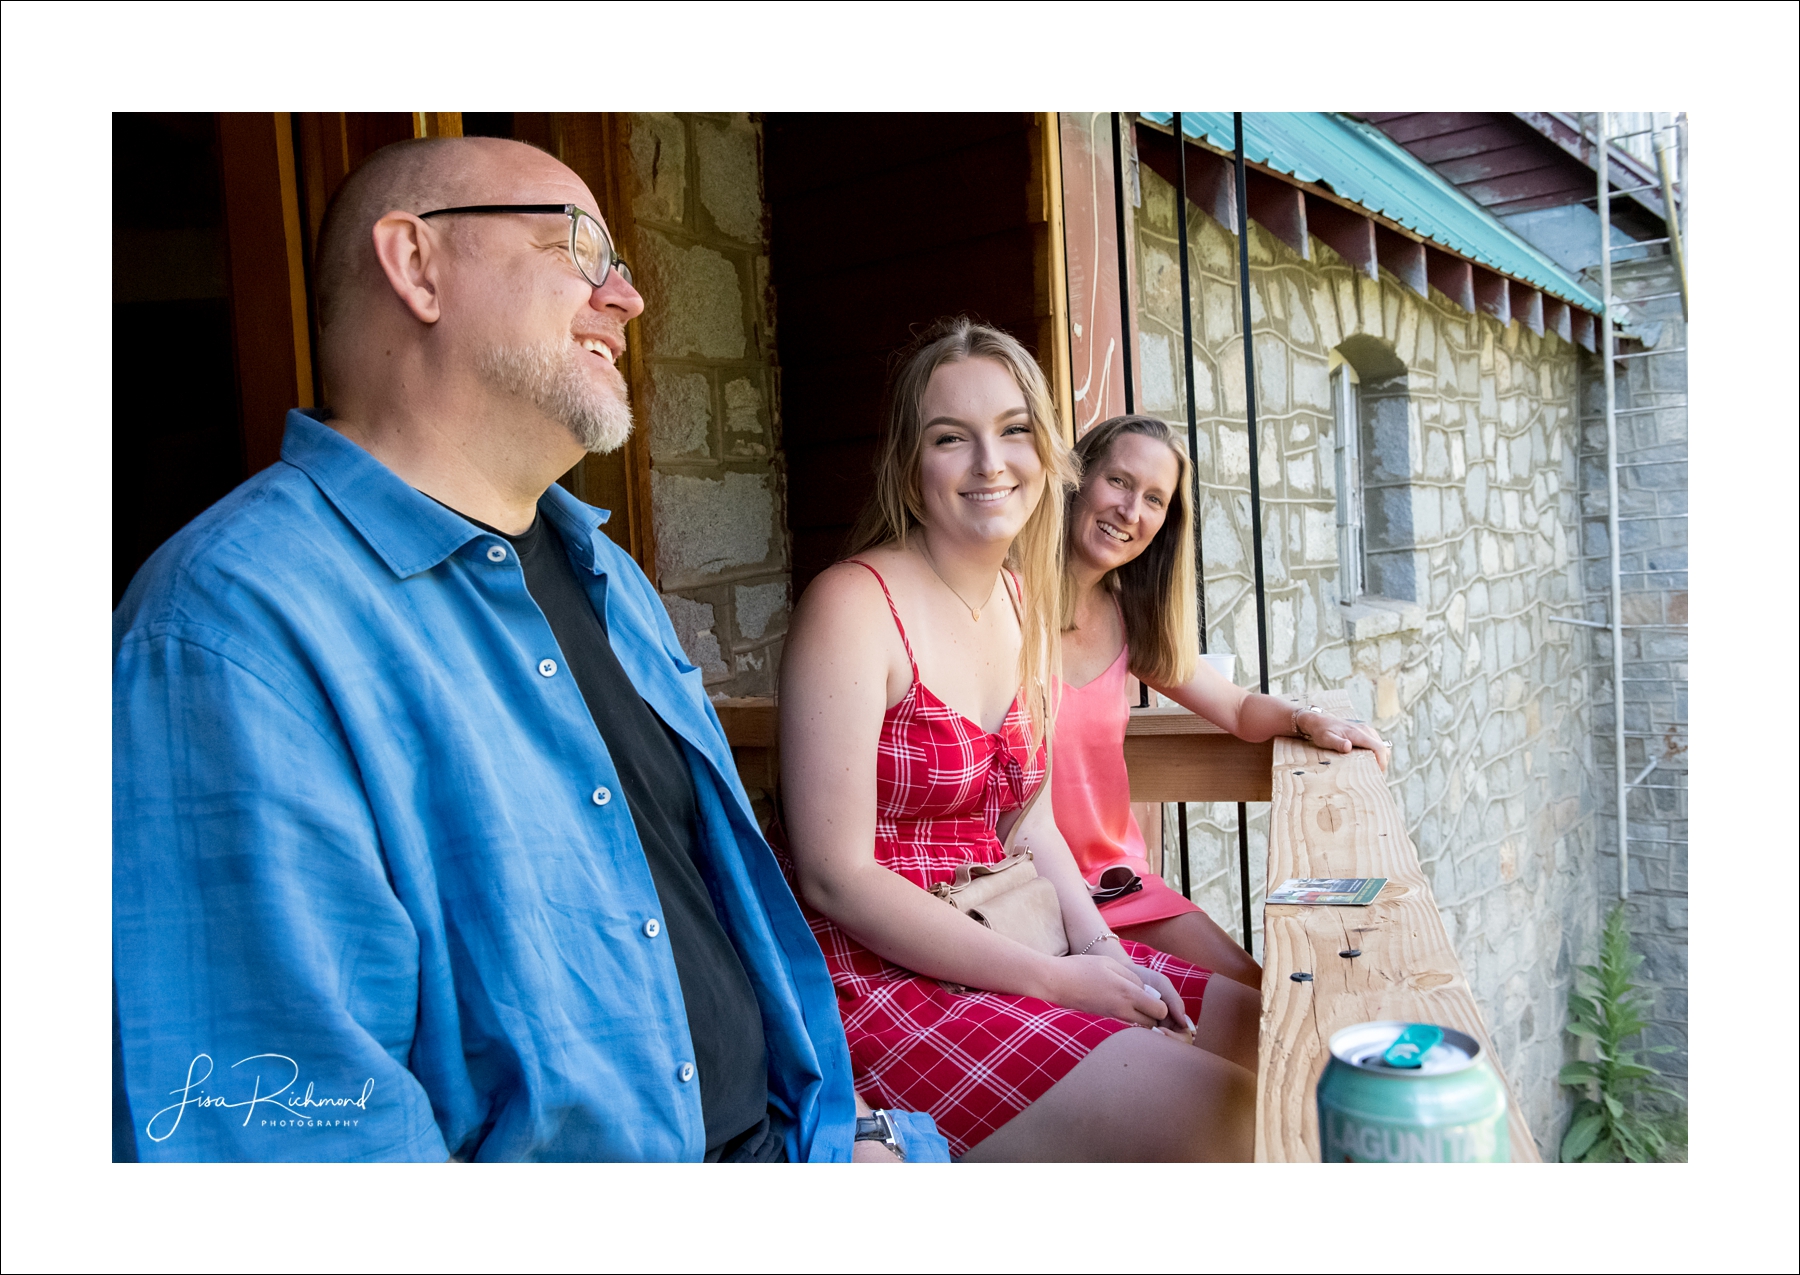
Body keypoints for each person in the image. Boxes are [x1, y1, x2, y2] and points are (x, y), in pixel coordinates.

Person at [111, 135, 945, 1163]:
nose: (627, 300)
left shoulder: (605, 570)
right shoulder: (232, 628)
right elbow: (287, 1149)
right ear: (417, 265)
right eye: (579, 246)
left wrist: (844, 1142)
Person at [778, 318, 1258, 1161]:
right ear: (908, 463)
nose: (989, 463)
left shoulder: (1019, 600)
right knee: (1227, 1113)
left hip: (1015, 923)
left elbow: (1029, 820)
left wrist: (1104, 950)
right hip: (887, 976)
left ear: (1048, 454)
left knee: (1271, 1031)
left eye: (1013, 432)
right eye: (950, 438)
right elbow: (835, 875)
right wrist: (1060, 982)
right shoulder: (852, 606)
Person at [1056, 414, 1389, 981]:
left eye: (1155, 500)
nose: (1131, 512)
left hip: (1115, 884)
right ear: (1076, 478)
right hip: (1031, 896)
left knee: (1263, 999)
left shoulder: (1125, 616)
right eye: (1118, 481)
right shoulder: (1001, 608)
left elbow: (1234, 708)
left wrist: (1305, 718)